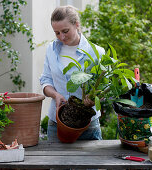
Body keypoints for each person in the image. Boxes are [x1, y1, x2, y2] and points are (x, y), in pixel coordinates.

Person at [40, 5, 105, 142]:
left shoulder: (96, 52)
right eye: (57, 33)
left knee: (90, 164)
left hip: (88, 125)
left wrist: (94, 99)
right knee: (54, 164)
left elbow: (104, 88)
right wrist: (55, 94)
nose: (61, 37)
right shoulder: (51, 49)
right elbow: (46, 80)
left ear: (77, 25)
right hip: (57, 123)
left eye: (65, 31)